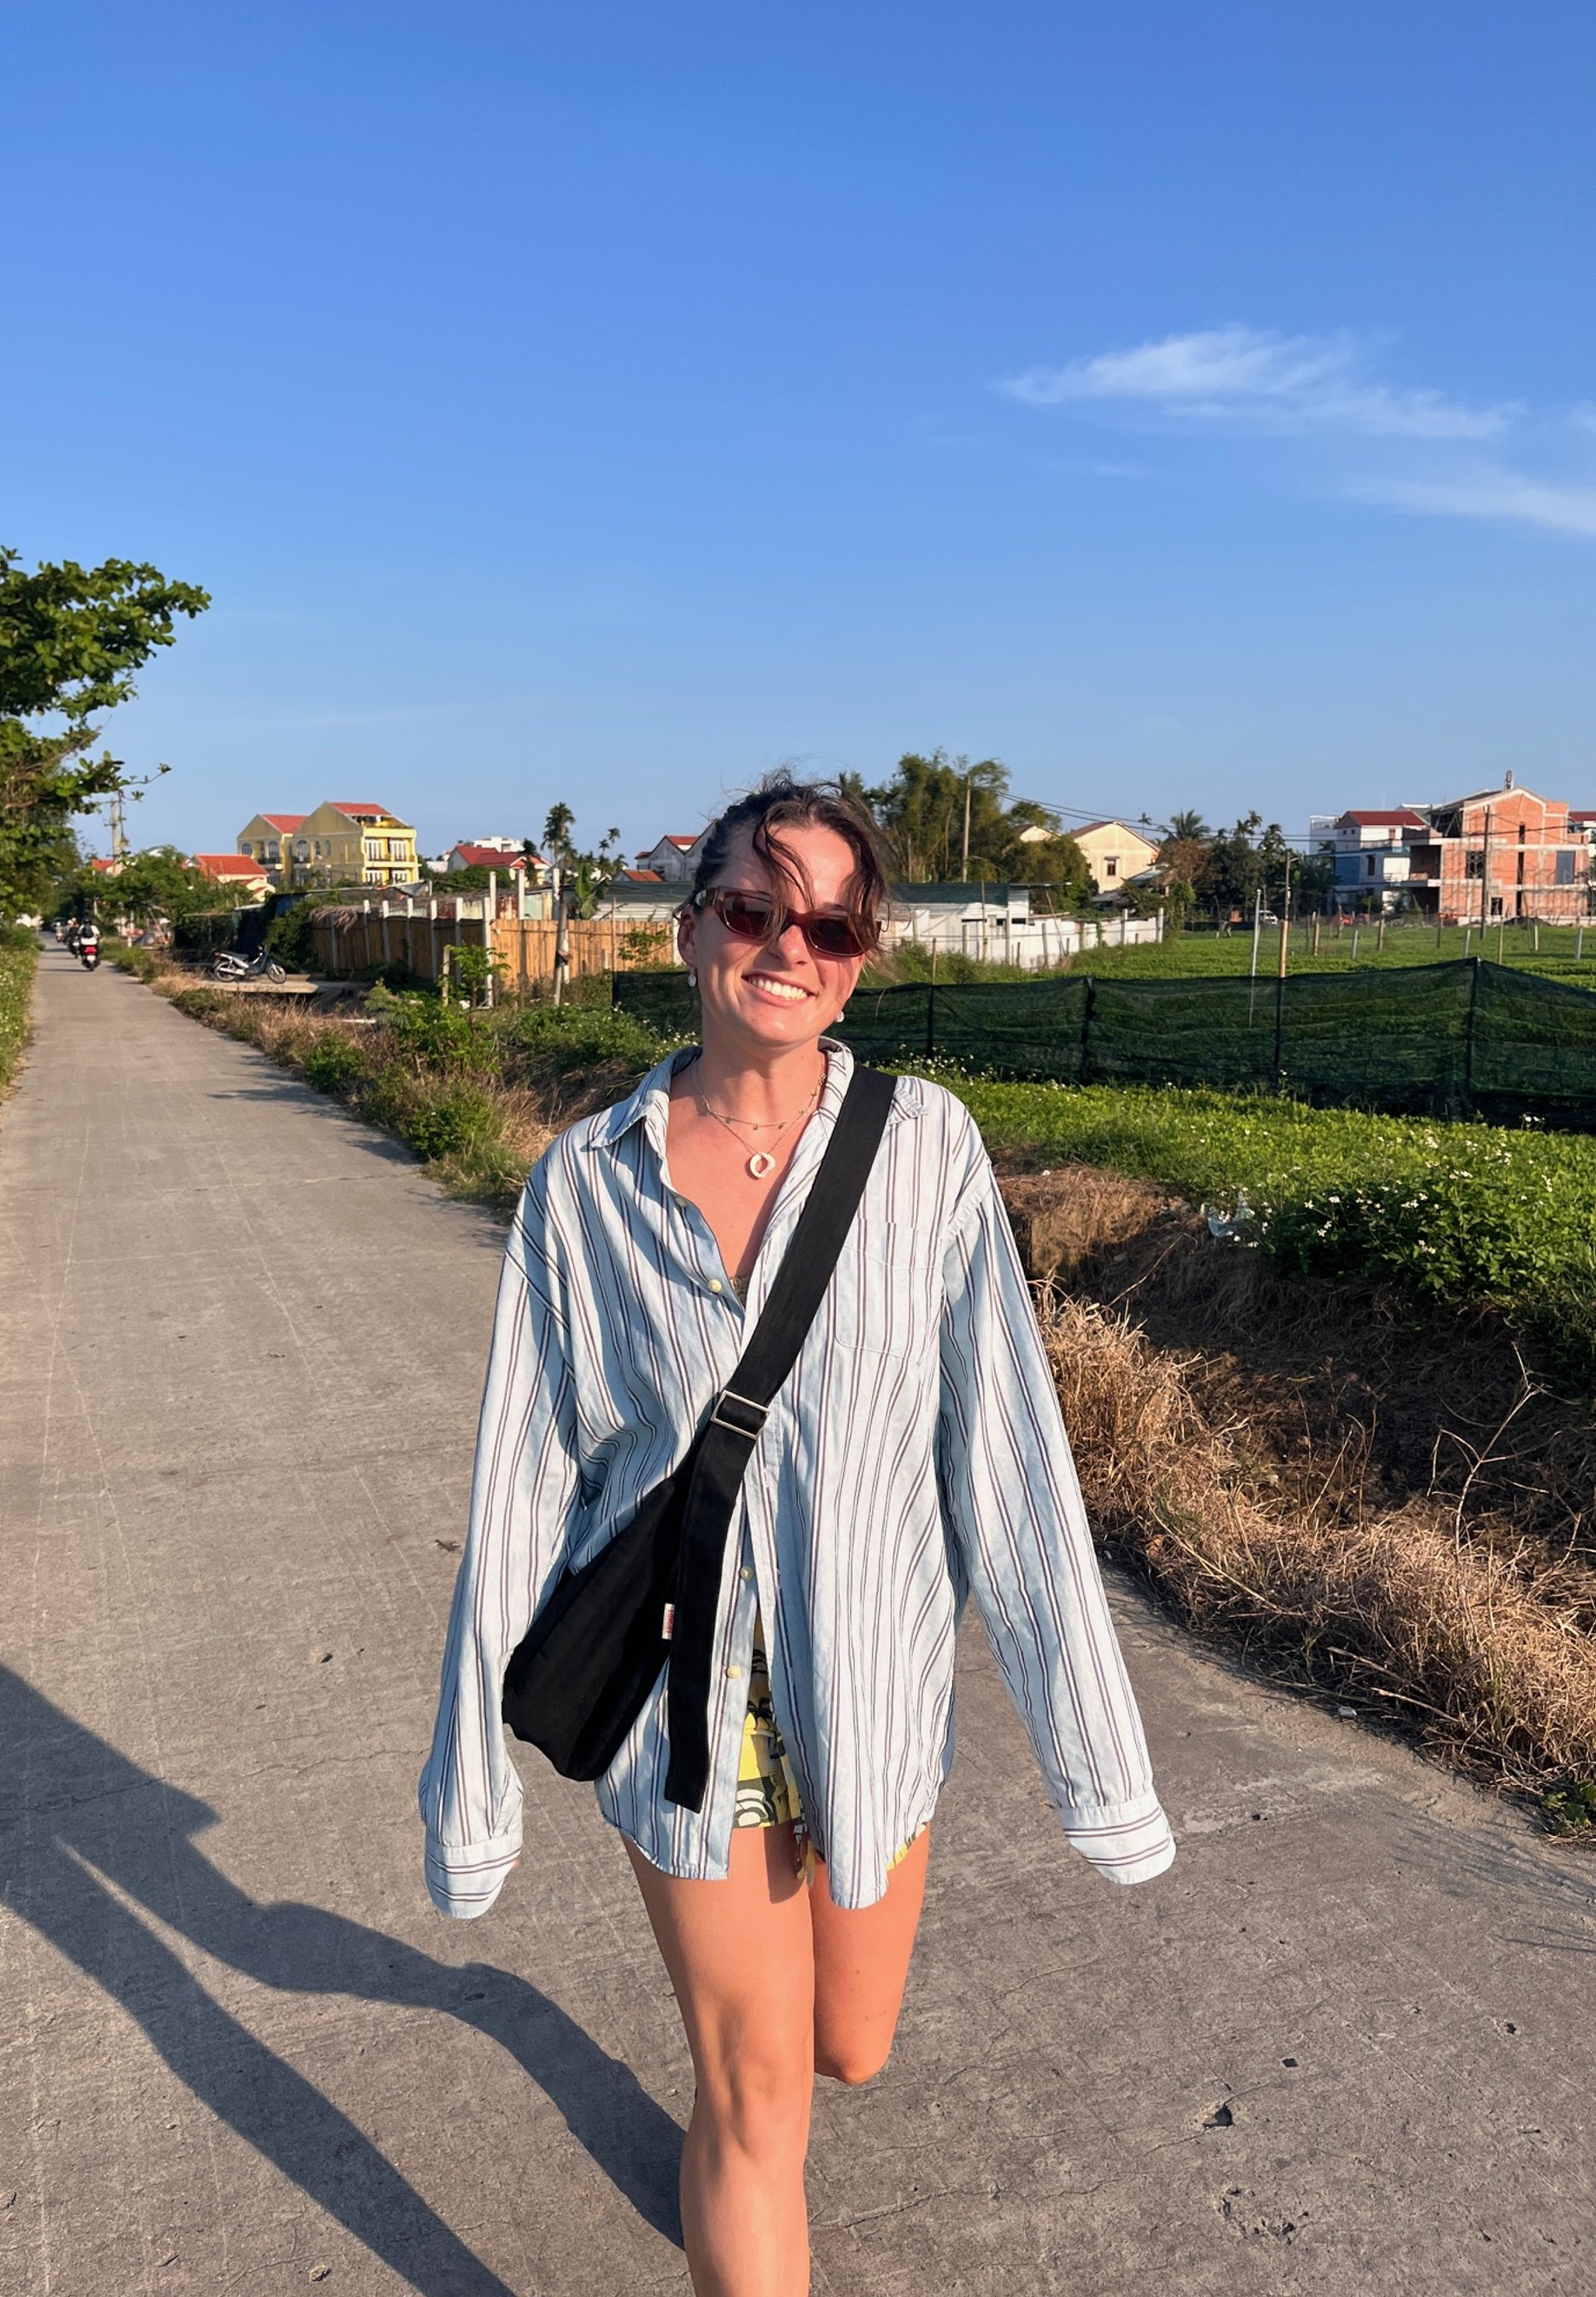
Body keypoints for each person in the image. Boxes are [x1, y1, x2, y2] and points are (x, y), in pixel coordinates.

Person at [420, 775, 1174, 2297]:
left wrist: (1096, 1765)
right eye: (754, 909)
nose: (789, 948)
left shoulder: (927, 1149)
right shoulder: (583, 1184)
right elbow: (519, 1484)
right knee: (757, 2101)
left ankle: (754, 2111)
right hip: (675, 1699)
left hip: (873, 1682)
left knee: (850, 2046)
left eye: (830, 925)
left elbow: (1008, 1456)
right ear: (691, 927)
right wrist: (470, 1789)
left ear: (862, 955)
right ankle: (733, 2167)